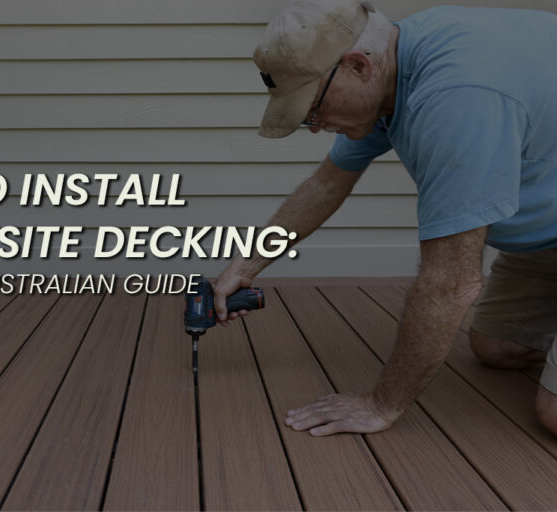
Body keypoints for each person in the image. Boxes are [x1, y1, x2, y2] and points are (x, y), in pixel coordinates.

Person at [214, 0, 557, 436]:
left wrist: (382, 404)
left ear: (358, 66)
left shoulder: (457, 97)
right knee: (498, 348)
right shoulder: (390, 67)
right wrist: (244, 267)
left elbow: (451, 283)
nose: (315, 126)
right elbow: (326, 185)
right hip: (544, 241)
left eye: (313, 109)